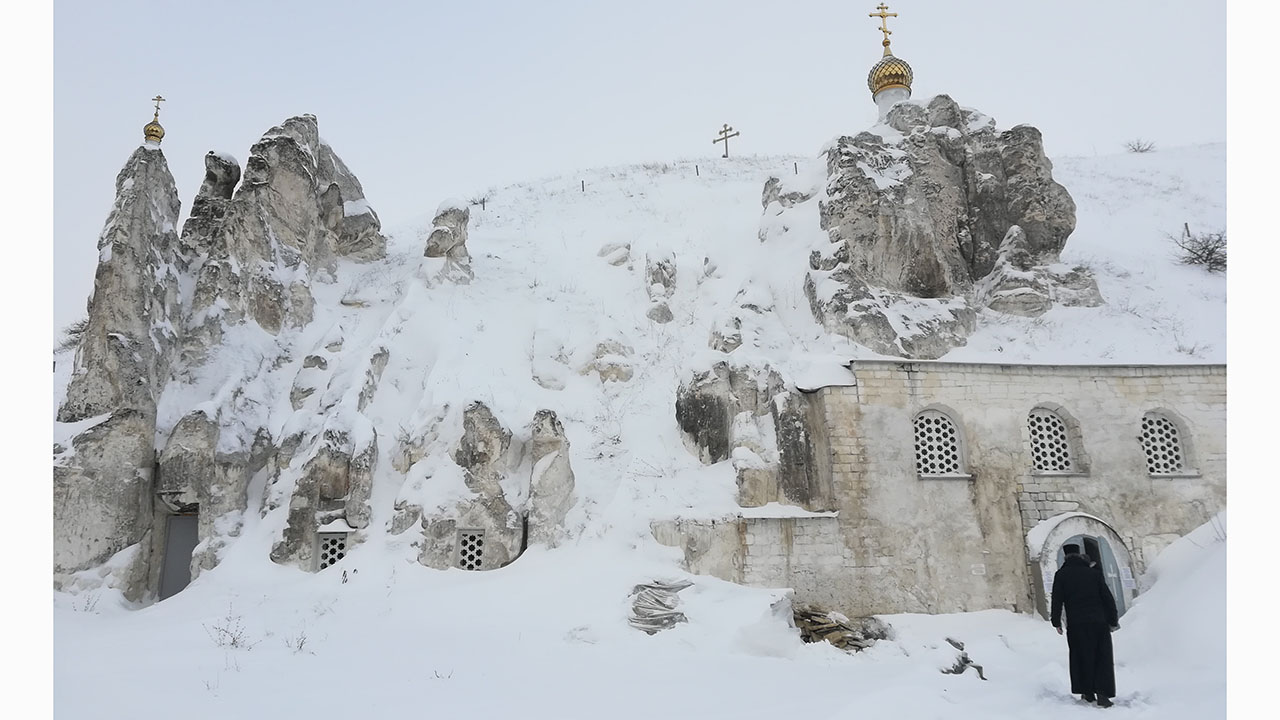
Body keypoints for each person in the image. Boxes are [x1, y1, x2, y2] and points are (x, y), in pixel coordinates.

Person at [1051, 543, 1120, 708]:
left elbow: (1057, 600)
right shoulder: (1093, 574)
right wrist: (1112, 620)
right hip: (1099, 622)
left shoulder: (1061, 575)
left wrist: (1056, 622)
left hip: (1076, 624)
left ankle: (1087, 692)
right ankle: (1103, 694)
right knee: (1102, 657)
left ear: (1066, 557)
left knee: (1081, 657)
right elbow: (1107, 598)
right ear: (1080, 555)